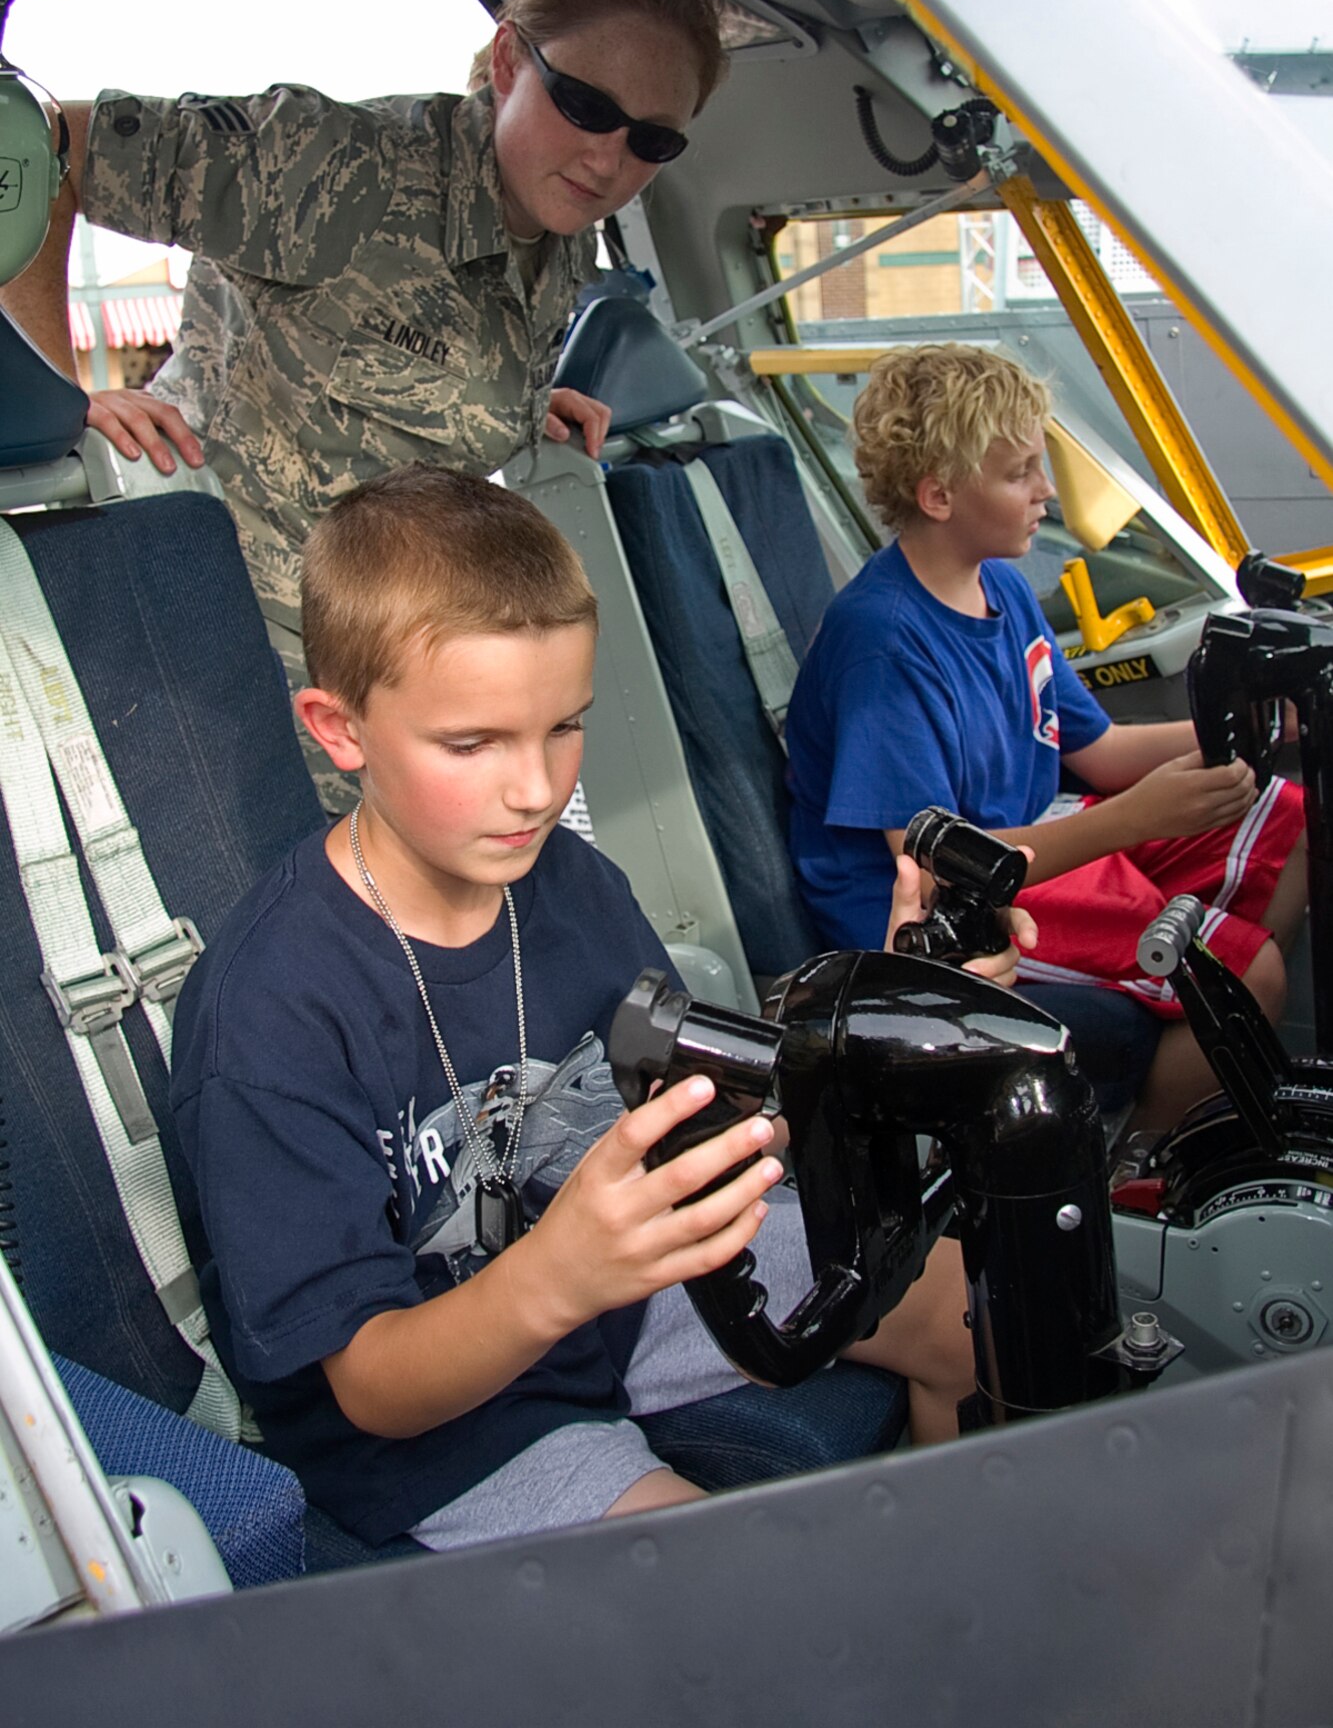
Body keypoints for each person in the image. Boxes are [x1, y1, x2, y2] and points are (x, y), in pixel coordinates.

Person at [168, 464, 1022, 1552]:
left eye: (562, 726)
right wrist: (558, 1275)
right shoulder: (272, 1011)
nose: (535, 786)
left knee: (979, 1311)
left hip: (619, 1285)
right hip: (455, 1407)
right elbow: (370, 1388)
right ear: (340, 730)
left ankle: (962, 1573)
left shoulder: (570, 887)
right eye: (472, 744)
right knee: (744, 1595)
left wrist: (875, 1022)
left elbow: (696, 1091)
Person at [0, 0, 725, 805]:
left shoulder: (558, 234)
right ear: (506, 62)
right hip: (216, 659)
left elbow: (411, 376)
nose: (609, 160)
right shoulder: (338, 166)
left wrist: (525, 403)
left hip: (377, 665)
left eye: (651, 140)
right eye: (581, 105)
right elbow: (45, 145)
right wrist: (64, 391)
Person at [785, 344, 1308, 1138]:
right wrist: (1134, 820)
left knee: (1295, 816)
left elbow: (1096, 753)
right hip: (935, 911)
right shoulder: (883, 645)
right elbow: (932, 874)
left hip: (1034, 846)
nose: (1043, 492)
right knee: (1245, 971)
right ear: (937, 496)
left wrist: (1254, 720)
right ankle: (1132, 1170)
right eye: (1019, 472)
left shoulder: (999, 586)